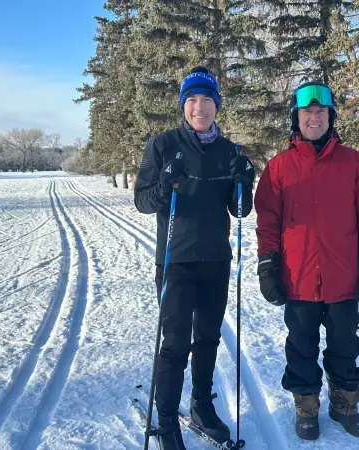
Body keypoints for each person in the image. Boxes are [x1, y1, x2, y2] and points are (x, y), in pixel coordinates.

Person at [253, 81, 359, 441]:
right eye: (307, 111)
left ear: (331, 116)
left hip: (344, 277)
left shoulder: (355, 164)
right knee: (301, 347)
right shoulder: (278, 168)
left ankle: (344, 405)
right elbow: (267, 223)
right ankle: (306, 406)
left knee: (345, 345)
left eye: (321, 111)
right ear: (295, 118)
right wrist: (267, 265)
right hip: (298, 278)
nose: (314, 117)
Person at [134, 66, 255, 450]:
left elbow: (239, 210)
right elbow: (142, 201)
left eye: (206, 100)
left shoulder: (230, 150)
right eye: (192, 100)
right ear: (183, 105)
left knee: (207, 339)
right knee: (174, 344)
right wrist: (165, 181)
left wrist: (245, 182)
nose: (199, 107)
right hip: (176, 261)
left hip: (216, 261)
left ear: (217, 106)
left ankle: (202, 405)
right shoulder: (162, 145)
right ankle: (167, 422)